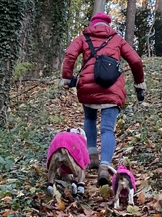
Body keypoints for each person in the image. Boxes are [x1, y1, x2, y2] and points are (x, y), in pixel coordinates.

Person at [60, 12, 146, 186]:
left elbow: (70, 54)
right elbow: (136, 61)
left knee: (89, 119)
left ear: (93, 24)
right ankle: (104, 167)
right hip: (112, 88)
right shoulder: (117, 39)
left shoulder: (84, 37)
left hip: (88, 87)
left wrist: (67, 78)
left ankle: (92, 158)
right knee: (107, 129)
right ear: (108, 24)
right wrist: (139, 83)